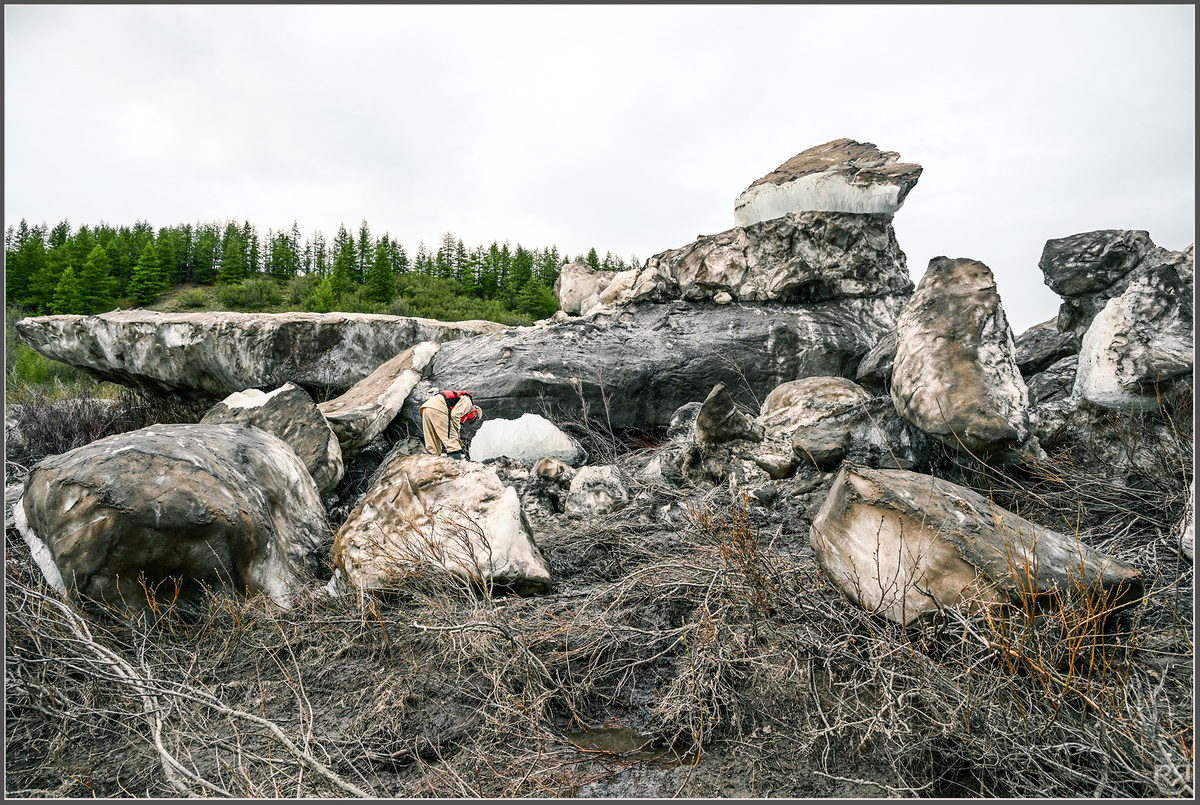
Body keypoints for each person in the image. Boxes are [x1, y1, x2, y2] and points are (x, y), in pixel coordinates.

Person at [419, 390, 483, 460]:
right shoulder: (468, 402)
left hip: (426, 408)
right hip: (439, 408)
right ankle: (455, 466)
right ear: (475, 412)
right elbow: (455, 415)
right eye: (473, 418)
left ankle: (430, 465)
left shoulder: (461, 402)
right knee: (453, 444)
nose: (469, 419)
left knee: (433, 447)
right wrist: (456, 431)